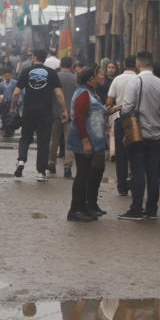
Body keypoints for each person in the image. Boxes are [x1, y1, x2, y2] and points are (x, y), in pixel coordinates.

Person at [117, 51, 160, 220]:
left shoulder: (136, 82)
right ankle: (152, 210)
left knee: (137, 171)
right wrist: (156, 117)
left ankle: (136, 209)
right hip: (156, 135)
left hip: (138, 135)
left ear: (138, 64)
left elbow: (126, 109)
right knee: (153, 173)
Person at [10, 49, 68, 181]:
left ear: (34, 57)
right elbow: (59, 94)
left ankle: (21, 160)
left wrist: (13, 108)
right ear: (45, 58)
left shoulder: (26, 72)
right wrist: (64, 110)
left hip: (29, 112)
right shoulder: (52, 73)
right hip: (46, 113)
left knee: (25, 137)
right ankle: (41, 172)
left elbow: (16, 93)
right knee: (43, 141)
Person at [66, 64, 108, 222]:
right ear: (92, 78)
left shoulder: (90, 93)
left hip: (90, 141)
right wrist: (85, 142)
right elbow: (78, 118)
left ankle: (82, 208)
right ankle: (75, 209)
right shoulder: (84, 94)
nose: (101, 77)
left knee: (86, 175)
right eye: (99, 74)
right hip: (83, 141)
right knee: (82, 176)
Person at [105, 55, 138, 196]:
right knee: (135, 153)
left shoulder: (117, 80)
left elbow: (109, 101)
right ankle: (134, 179)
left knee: (121, 155)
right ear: (136, 64)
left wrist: (108, 115)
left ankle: (122, 186)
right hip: (136, 121)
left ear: (124, 65)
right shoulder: (139, 79)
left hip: (119, 119)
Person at [48, 56, 77, 177]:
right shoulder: (76, 79)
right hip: (71, 113)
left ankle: (51, 163)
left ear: (60, 65)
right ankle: (68, 167)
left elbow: (50, 95)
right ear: (72, 66)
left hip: (56, 113)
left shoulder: (55, 77)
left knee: (54, 139)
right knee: (69, 140)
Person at [0, 68, 18, 137]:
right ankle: (7, 132)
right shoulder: (2, 84)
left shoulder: (15, 83)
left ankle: (11, 131)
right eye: (5, 76)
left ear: (11, 76)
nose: (7, 77)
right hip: (5, 103)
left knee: (12, 118)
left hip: (12, 103)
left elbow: (19, 91)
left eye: (8, 76)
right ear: (3, 76)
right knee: (4, 117)